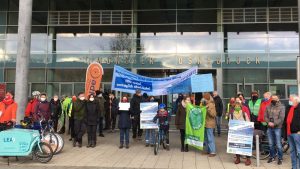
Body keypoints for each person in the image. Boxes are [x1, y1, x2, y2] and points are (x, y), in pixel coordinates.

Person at [264, 95, 285, 165]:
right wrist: (268, 122)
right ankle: (272, 156)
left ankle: (280, 158)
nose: (273, 99)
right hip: (269, 127)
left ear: (278, 99)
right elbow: (265, 116)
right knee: (271, 144)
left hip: (277, 128)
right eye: (272, 98)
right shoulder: (268, 106)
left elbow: (281, 118)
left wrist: (274, 123)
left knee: (278, 144)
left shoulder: (282, 107)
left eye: (274, 99)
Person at [229, 101, 251, 166]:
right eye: (236, 106)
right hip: (235, 132)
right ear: (234, 107)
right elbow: (230, 122)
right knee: (236, 146)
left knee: (245, 145)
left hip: (244, 131)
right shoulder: (232, 114)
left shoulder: (244, 113)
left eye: (238, 106)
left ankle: (248, 159)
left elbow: (248, 122)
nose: (237, 107)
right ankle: (238, 158)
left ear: (240, 107)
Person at [286, 95, 300, 169]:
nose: (290, 101)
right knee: (292, 151)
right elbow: (287, 120)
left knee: (299, 151)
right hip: (290, 132)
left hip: (297, 133)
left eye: (292, 100)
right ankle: (294, 167)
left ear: (296, 101)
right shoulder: (291, 108)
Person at [203, 93, 217, 157]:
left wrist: (208, 110)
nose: (203, 99)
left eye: (204, 98)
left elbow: (213, 114)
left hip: (210, 124)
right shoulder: (205, 104)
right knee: (206, 138)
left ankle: (213, 151)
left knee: (210, 138)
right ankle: (208, 150)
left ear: (207, 98)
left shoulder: (211, 105)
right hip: (205, 124)